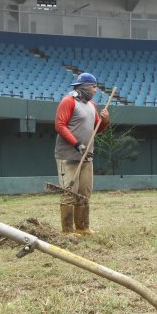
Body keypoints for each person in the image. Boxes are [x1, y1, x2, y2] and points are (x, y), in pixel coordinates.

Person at [54, 72, 110, 235]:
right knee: (70, 193)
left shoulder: (92, 106)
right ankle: (68, 231)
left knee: (84, 192)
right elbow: (60, 125)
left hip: (87, 156)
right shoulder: (68, 101)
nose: (95, 90)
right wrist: (76, 144)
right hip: (68, 156)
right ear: (84, 87)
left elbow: (96, 130)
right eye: (93, 87)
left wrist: (105, 121)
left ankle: (83, 227)